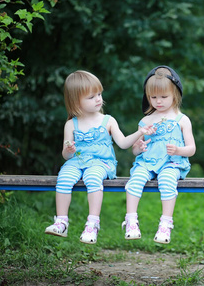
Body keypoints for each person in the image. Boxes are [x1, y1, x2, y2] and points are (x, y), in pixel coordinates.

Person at [45, 70, 155, 244]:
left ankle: (92, 223)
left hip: (101, 163)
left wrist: (140, 133)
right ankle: (61, 222)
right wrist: (70, 149)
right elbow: (66, 155)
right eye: (91, 97)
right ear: (76, 101)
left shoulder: (108, 121)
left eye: (99, 94)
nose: (98, 99)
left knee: (92, 177)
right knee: (64, 177)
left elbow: (124, 143)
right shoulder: (71, 124)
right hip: (77, 161)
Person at [123, 65, 196, 244]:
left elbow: (192, 149)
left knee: (167, 181)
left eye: (164, 97)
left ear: (175, 95)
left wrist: (178, 150)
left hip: (172, 163)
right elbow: (134, 149)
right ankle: (131, 220)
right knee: (135, 179)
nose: (159, 101)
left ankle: (165, 224)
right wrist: (139, 147)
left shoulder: (182, 120)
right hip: (147, 162)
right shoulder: (146, 121)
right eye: (153, 97)